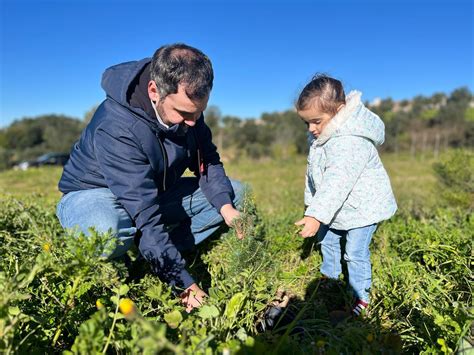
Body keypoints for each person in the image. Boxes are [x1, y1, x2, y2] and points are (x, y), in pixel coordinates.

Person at [56, 43, 245, 312]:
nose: (193, 122)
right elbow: (145, 214)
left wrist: (226, 209)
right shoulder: (117, 126)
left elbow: (208, 160)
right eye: (184, 113)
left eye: (199, 112)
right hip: (94, 194)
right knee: (104, 230)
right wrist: (184, 285)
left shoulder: (188, 112)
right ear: (154, 91)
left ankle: (154, 257)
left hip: (152, 189)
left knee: (235, 194)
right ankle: (120, 268)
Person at [294, 74, 397, 316]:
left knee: (354, 252)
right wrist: (313, 207)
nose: (311, 129)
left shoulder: (350, 141)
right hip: (338, 207)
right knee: (327, 240)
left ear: (339, 111)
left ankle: (361, 296)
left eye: (316, 121)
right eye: (307, 123)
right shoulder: (324, 137)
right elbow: (316, 176)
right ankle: (329, 276)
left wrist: (316, 214)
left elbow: (337, 182)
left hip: (363, 209)